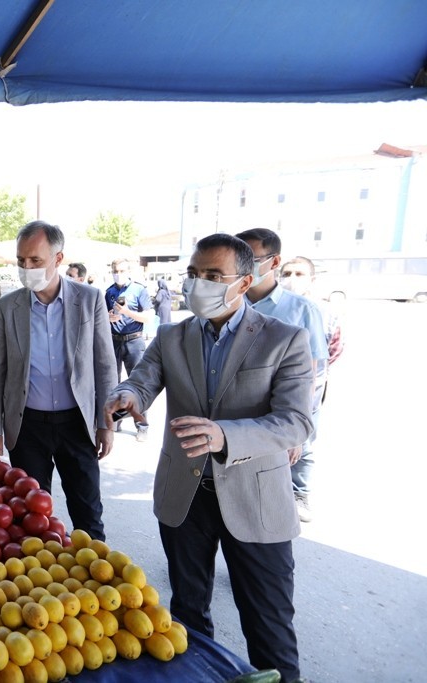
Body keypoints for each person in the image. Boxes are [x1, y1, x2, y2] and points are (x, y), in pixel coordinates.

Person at [104, 233, 313, 682]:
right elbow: (142, 380)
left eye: (214, 276)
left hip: (256, 500)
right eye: (195, 274)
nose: (200, 284)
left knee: (270, 629)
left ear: (245, 281)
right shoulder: (171, 336)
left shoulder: (286, 340)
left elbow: (297, 422)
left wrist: (224, 435)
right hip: (186, 495)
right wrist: (126, 395)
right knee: (187, 619)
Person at [0, 222, 118, 540]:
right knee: (32, 516)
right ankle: (42, 584)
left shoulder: (89, 300)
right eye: (21, 261)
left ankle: (96, 584)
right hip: (27, 425)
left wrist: (106, 422)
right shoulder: (6, 307)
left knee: (88, 513)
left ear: (58, 259)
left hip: (78, 423)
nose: (27, 268)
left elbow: (105, 366)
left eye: (35, 261)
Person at [236, 228, 328, 523]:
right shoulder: (230, 304)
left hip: (281, 413)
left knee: (274, 507)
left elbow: (311, 373)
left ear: (274, 262)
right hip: (239, 415)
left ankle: (298, 493)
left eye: (250, 257)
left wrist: (296, 430)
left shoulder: (301, 309)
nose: (241, 264)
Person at [105, 258, 153, 441]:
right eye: (115, 270)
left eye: (122, 270)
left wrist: (127, 313)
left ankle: (141, 425)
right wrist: (108, 317)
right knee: (112, 383)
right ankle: (115, 421)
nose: (118, 274)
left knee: (138, 386)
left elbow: (148, 317)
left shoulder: (139, 290)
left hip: (134, 341)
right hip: (113, 341)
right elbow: (103, 315)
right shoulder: (109, 291)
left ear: (129, 270)